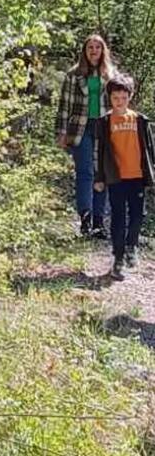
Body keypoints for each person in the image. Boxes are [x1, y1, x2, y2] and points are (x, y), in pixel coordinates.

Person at [94, 74, 155, 281]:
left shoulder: (140, 120)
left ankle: (131, 246)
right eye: (115, 98)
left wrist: (151, 172)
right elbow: (100, 151)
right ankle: (118, 258)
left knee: (138, 214)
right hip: (116, 178)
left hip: (137, 176)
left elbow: (149, 149)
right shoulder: (105, 122)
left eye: (123, 98)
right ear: (109, 98)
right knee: (118, 216)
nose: (119, 102)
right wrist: (99, 177)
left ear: (130, 96)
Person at [55, 34, 115, 237]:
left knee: (102, 173)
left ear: (103, 51)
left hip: (104, 127)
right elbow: (64, 105)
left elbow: (118, 103)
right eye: (90, 47)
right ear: (85, 51)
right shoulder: (74, 75)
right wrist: (61, 132)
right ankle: (85, 218)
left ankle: (99, 221)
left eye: (98, 47)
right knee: (85, 172)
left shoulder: (110, 75)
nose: (94, 50)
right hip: (80, 128)